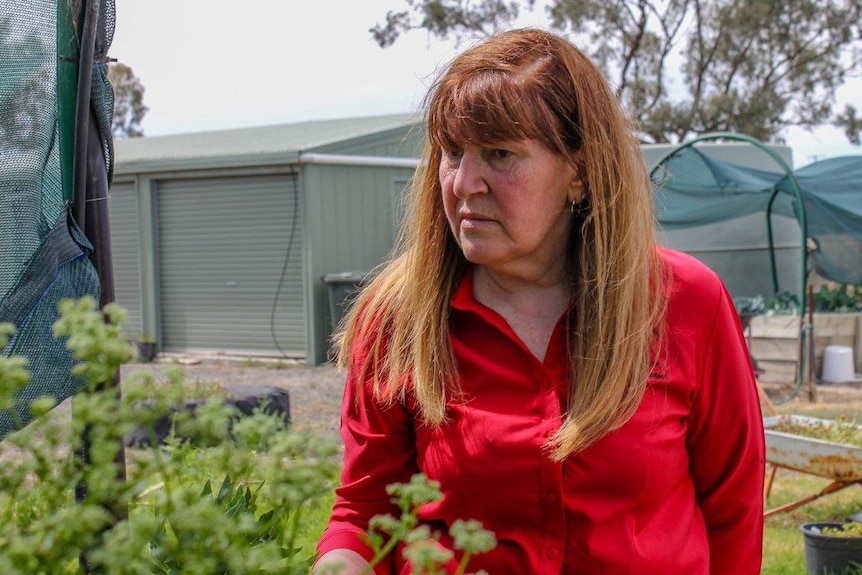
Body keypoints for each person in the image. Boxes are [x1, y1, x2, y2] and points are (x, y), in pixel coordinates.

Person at [314, 28, 765, 575]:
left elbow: (732, 507)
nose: (464, 183)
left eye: (499, 153)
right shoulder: (396, 320)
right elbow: (366, 512)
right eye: (452, 153)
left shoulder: (684, 302)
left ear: (578, 171)